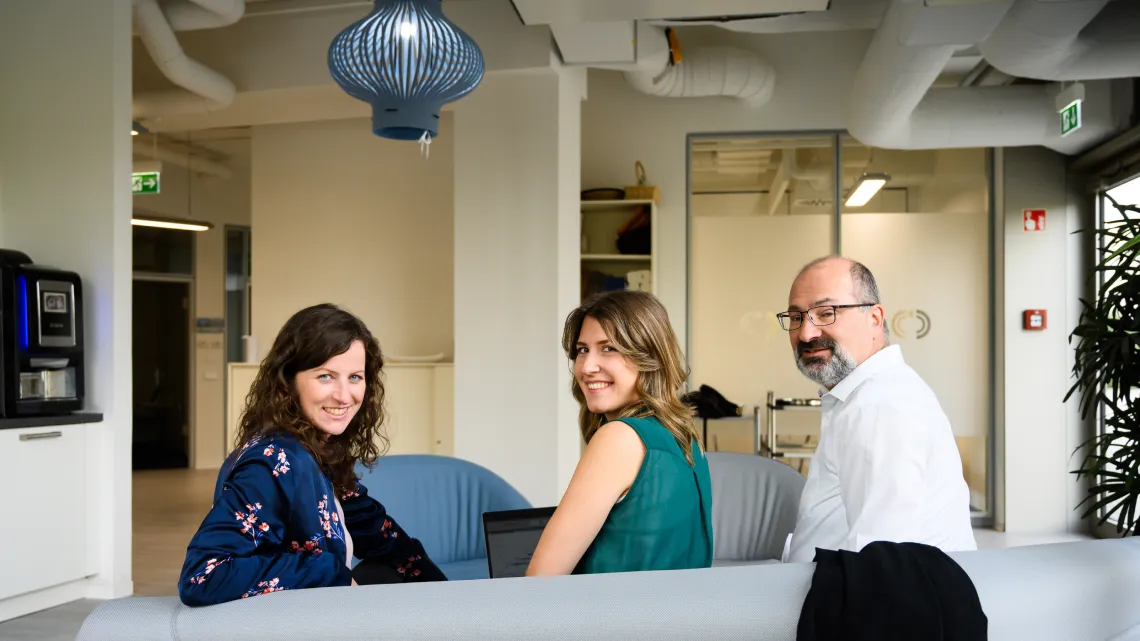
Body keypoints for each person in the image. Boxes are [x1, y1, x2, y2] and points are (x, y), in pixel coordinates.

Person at [178, 303, 445, 606]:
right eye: (326, 377)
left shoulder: (318, 447)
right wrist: (330, 572)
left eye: (355, 377)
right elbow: (202, 576)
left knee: (397, 570)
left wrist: (449, 598)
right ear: (288, 380)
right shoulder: (273, 461)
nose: (345, 396)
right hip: (288, 624)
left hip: (316, 613)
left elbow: (379, 535)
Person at [778, 256, 976, 564]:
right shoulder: (866, 396)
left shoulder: (879, 407)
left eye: (826, 313)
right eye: (796, 317)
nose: (806, 333)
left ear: (874, 318)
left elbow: (879, 563)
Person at [526, 290, 713, 576]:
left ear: (649, 357)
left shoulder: (620, 437)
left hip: (614, 618)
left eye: (608, 348)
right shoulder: (683, 436)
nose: (587, 367)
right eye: (582, 350)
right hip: (678, 617)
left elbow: (540, 579)